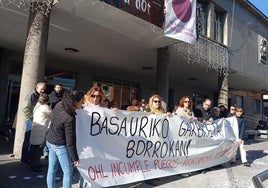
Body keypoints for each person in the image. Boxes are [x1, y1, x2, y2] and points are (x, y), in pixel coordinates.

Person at [46, 90, 84, 188]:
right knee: (68, 171)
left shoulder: (60, 104)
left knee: (52, 168)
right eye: (82, 101)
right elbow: (70, 140)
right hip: (59, 144)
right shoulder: (70, 117)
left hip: (50, 140)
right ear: (75, 102)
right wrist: (75, 158)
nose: (83, 103)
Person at [21, 82, 46, 164]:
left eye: (44, 89)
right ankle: (25, 159)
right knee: (28, 140)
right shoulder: (31, 95)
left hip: (35, 120)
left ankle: (30, 158)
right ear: (37, 87)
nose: (43, 90)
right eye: (41, 89)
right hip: (31, 120)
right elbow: (25, 108)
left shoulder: (39, 95)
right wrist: (32, 117)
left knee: (32, 140)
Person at [29, 93, 52, 172]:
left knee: (33, 147)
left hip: (35, 128)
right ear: (47, 100)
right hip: (42, 130)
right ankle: (35, 165)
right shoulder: (46, 107)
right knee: (38, 149)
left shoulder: (37, 106)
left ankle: (33, 163)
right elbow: (53, 117)